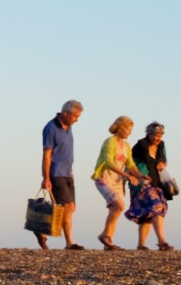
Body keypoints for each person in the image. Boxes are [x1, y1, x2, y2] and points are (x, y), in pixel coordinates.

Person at [91, 115, 148, 250]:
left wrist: (140, 176)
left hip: (117, 181)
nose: (130, 132)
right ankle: (105, 235)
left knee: (115, 209)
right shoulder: (110, 142)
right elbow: (109, 162)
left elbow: (131, 165)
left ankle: (108, 241)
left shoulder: (127, 146)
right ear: (121, 128)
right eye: (129, 129)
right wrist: (127, 176)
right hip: (104, 178)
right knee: (119, 206)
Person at [39, 100, 84, 249]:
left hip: (68, 173)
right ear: (65, 113)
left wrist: (71, 171)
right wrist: (46, 178)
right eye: (75, 116)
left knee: (70, 208)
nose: (77, 119)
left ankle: (42, 229)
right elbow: (47, 155)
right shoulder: (51, 128)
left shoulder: (69, 127)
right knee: (67, 205)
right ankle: (70, 242)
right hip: (56, 172)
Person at [128, 121, 173, 251]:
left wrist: (163, 164)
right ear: (149, 135)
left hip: (156, 182)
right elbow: (130, 164)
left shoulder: (161, 145)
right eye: (155, 135)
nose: (158, 138)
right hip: (141, 183)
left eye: (160, 135)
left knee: (148, 213)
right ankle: (162, 242)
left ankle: (141, 245)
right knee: (156, 206)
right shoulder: (140, 146)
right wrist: (138, 177)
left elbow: (164, 160)